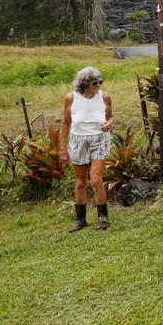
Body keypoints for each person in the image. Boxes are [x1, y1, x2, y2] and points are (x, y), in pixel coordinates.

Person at [61, 66, 114, 232]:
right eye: (94, 82)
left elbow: (111, 116)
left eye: (100, 81)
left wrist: (109, 123)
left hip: (99, 139)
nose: (98, 85)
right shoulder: (71, 98)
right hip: (78, 140)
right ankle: (81, 220)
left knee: (96, 179)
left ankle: (103, 219)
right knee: (80, 183)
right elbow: (65, 123)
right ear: (84, 84)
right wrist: (63, 148)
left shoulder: (104, 96)